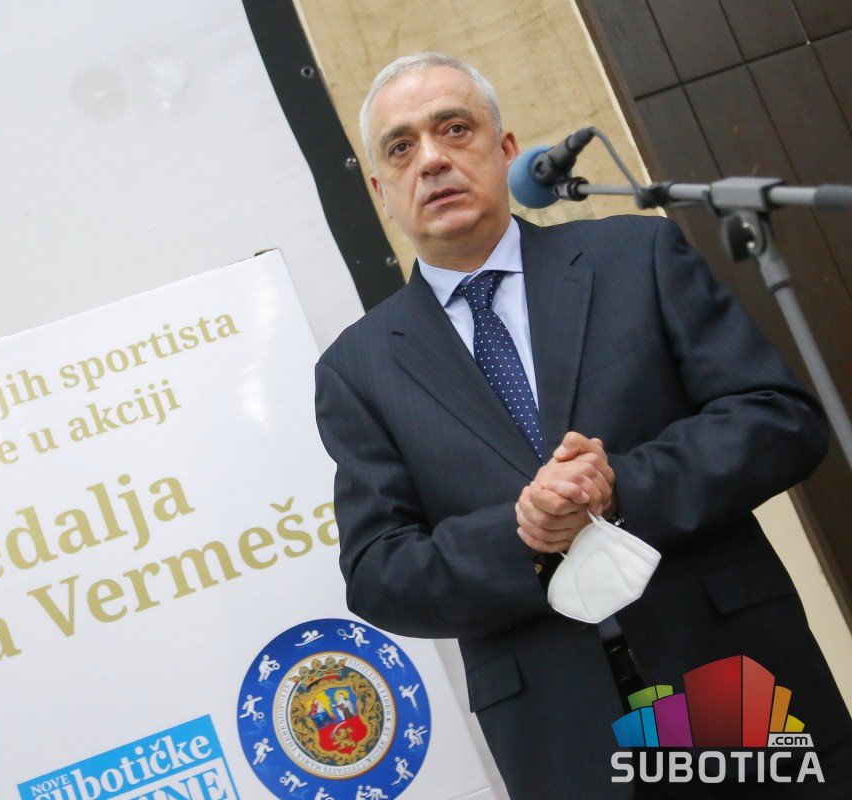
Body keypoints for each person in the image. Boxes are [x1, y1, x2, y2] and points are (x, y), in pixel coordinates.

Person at [313, 52, 851, 798]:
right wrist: (528, 532)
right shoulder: (358, 368)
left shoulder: (636, 255)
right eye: (400, 147)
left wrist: (618, 488)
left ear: (506, 149)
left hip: (730, 676)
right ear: (380, 190)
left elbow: (777, 420)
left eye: (454, 128)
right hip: (563, 734)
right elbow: (381, 573)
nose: (430, 159)